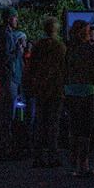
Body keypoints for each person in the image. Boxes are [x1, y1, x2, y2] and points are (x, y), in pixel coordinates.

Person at [63, 20, 94, 177]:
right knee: (86, 129)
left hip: (71, 89)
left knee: (74, 128)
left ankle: (73, 163)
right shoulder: (89, 49)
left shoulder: (68, 48)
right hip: (87, 89)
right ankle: (84, 164)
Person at [28, 17, 67, 168]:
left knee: (41, 122)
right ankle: (52, 155)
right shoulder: (59, 47)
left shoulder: (38, 46)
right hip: (56, 89)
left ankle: (38, 156)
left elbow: (31, 67)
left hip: (41, 88)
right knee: (53, 124)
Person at [0, 7, 28, 157]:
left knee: (5, 113)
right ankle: (4, 147)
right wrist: (18, 51)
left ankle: (3, 145)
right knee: (7, 113)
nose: (17, 20)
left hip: (7, 77)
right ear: (8, 19)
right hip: (9, 78)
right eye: (14, 17)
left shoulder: (3, 35)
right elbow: (6, 58)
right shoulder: (7, 36)